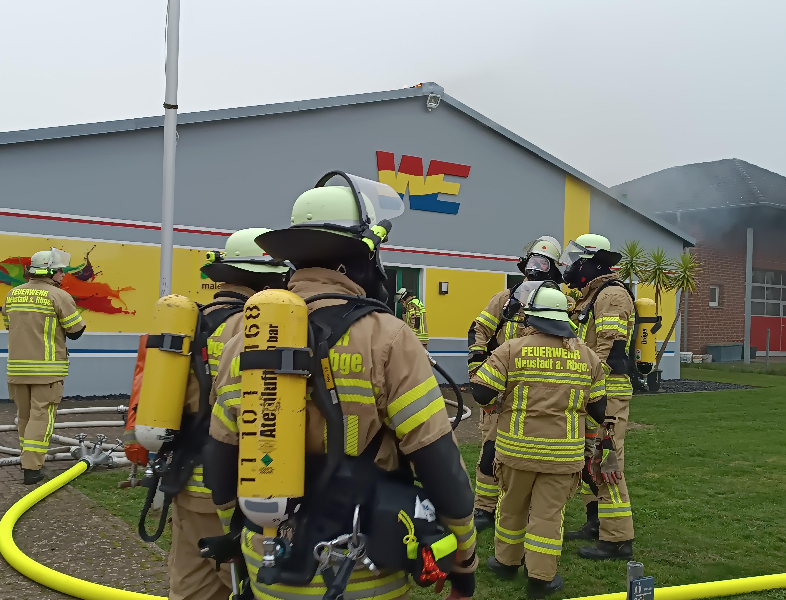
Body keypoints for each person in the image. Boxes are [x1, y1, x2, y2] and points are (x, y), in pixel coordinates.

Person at [205, 173, 477, 600]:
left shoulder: (243, 335)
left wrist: (238, 538)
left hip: (268, 561)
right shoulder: (387, 336)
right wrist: (464, 561)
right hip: (362, 567)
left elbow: (221, 457)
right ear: (361, 258)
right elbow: (437, 458)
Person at [167, 229, 291, 600]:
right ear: (265, 279)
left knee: (190, 581)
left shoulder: (189, 320)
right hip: (229, 483)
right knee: (237, 582)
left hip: (183, 475)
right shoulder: (254, 329)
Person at [469, 282, 608, 599]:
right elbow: (599, 411)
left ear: (530, 317)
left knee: (511, 507)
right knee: (548, 516)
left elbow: (481, 392)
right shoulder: (587, 357)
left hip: (516, 452)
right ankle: (541, 579)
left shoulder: (511, 349)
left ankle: (505, 563)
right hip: (563, 457)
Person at [467, 236, 563, 532]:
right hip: (501, 388)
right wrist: (477, 368)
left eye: (543, 263)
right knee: (490, 449)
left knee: (535, 453)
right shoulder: (505, 299)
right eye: (533, 261)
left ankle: (529, 507)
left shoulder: (561, 303)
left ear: (553, 269)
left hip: (542, 390)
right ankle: (484, 507)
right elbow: (478, 329)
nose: (535, 268)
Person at [561, 234, 636, 560]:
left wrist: (591, 389)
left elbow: (608, 351)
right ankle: (596, 522)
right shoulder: (592, 296)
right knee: (589, 460)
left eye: (575, 261)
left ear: (590, 263)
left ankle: (617, 540)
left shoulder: (611, 296)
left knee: (607, 461)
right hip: (591, 392)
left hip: (607, 393)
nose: (570, 267)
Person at [1, 248, 86, 485]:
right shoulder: (59, 296)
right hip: (46, 372)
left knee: (24, 418)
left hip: (17, 370)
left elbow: (9, 325)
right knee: (40, 419)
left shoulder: (13, 294)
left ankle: (27, 461)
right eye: (60, 270)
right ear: (50, 272)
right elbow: (76, 331)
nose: (63, 274)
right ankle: (32, 469)